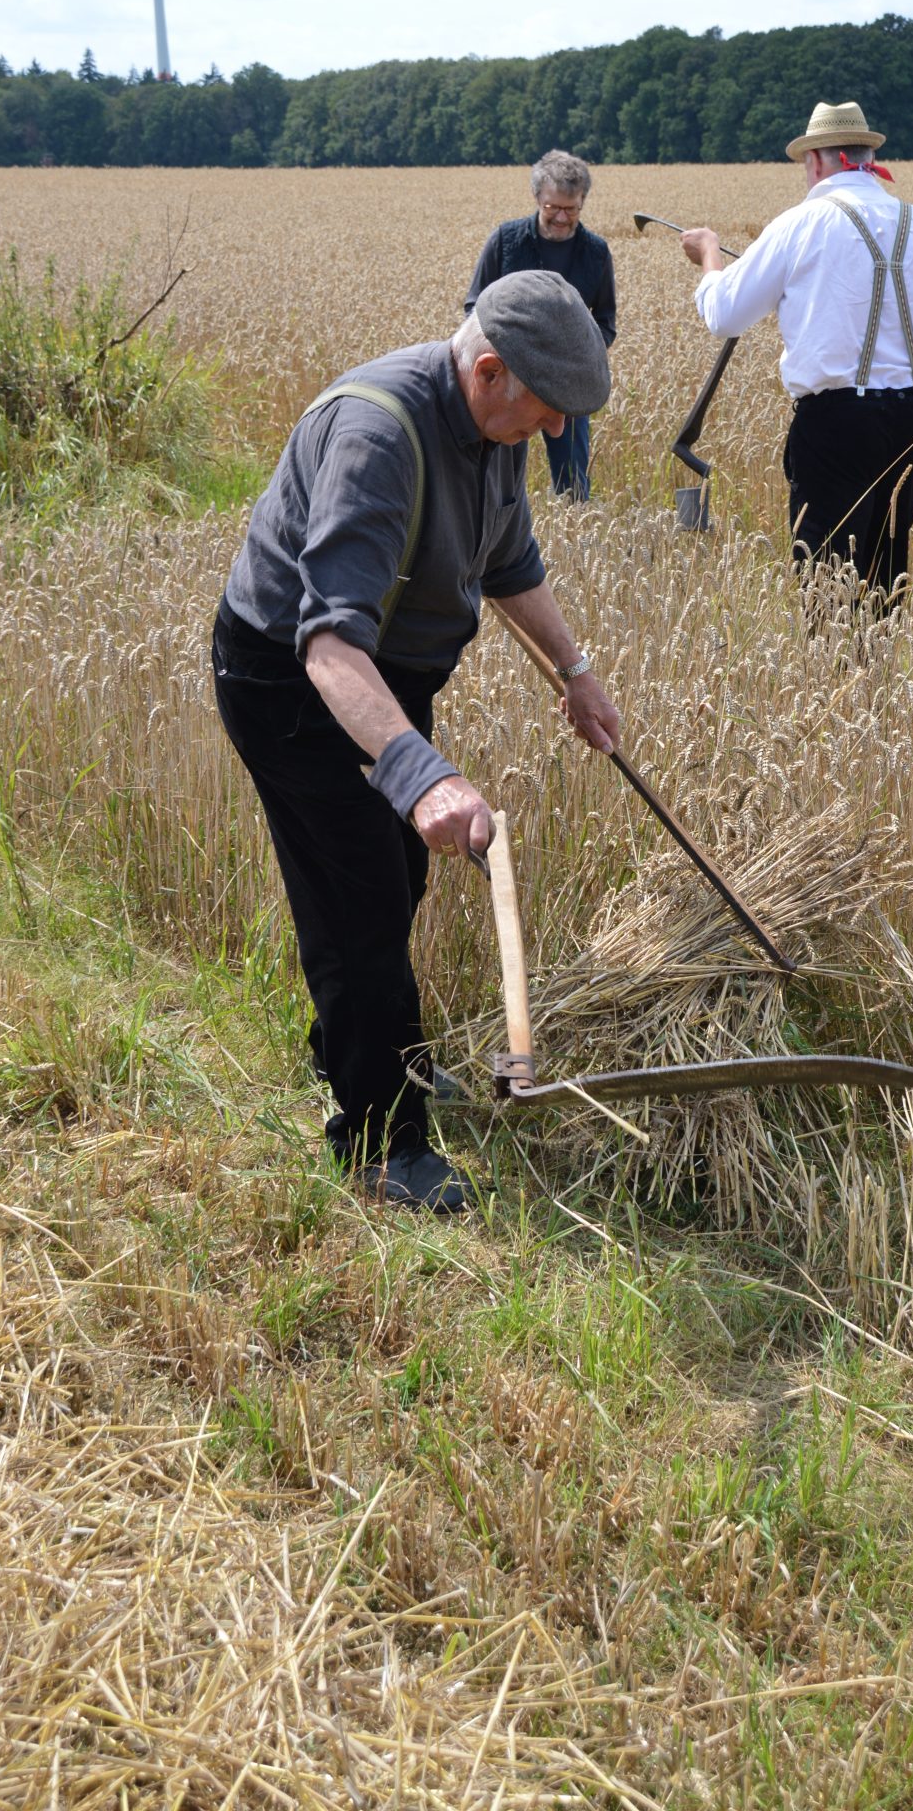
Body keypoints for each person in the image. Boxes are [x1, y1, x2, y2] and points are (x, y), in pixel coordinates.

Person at [212, 270, 621, 1213]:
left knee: (399, 877)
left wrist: (575, 671)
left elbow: (509, 558)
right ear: (489, 369)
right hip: (294, 683)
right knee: (362, 903)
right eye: (549, 410)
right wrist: (420, 774)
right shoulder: (379, 436)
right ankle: (384, 1147)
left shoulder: (488, 425)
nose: (557, 432)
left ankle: (355, 1049)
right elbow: (328, 643)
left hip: (382, 678)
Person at [679, 100, 913, 604]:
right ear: (863, 156)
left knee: (826, 575)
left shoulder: (803, 223)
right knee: (886, 570)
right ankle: (877, 677)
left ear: (818, 160)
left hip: (837, 422)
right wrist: (903, 373)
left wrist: (710, 255)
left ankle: (836, 678)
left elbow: (724, 314)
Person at [465, 150, 616, 501]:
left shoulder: (596, 253)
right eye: (553, 208)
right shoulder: (504, 241)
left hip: (567, 383)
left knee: (572, 482)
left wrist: (576, 356)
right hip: (504, 382)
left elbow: (605, 323)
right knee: (492, 478)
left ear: (583, 203)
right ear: (537, 199)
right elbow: (475, 307)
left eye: (571, 209)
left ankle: (575, 539)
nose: (562, 217)